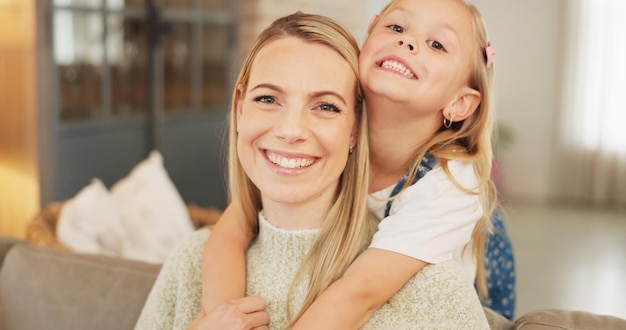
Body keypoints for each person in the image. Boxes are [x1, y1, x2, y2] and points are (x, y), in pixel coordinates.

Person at [135, 11, 489, 330]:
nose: (290, 130)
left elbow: (360, 292)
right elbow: (232, 226)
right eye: (267, 99)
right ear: (240, 108)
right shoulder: (192, 259)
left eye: (325, 106)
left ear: (355, 129)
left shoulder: (446, 202)